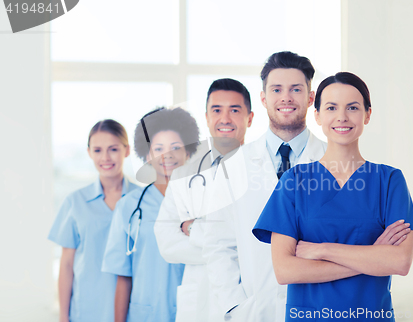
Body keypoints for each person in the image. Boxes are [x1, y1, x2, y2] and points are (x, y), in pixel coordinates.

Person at [253, 72, 413, 321]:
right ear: (317, 115)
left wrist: (322, 250)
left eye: (353, 107)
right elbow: (285, 270)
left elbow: (400, 261)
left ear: (367, 114)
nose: (342, 117)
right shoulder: (294, 181)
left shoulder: (389, 181)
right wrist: (371, 256)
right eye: (331, 107)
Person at [201, 51, 328, 322]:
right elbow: (218, 245)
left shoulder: (334, 163)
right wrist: (234, 307)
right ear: (263, 98)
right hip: (254, 312)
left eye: (296, 89)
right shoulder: (233, 166)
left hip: (323, 308)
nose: (286, 98)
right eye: (276, 89)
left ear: (310, 97)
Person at [154, 78, 254, 322]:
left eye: (235, 110)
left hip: (249, 297)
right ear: (207, 117)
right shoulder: (184, 173)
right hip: (198, 301)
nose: (225, 118)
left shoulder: (264, 171)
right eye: (217, 110)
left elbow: (263, 244)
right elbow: (166, 242)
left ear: (250, 118)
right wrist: (231, 248)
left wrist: (195, 230)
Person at [101, 107, 199, 322]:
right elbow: (123, 276)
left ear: (188, 152)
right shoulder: (129, 207)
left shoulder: (203, 204)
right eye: (159, 148)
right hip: (145, 314)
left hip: (194, 311)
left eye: (175, 147)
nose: (168, 155)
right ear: (147, 154)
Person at [48, 120, 138, 322]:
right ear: (89, 153)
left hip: (135, 310)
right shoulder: (75, 202)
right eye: (98, 150)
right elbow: (66, 265)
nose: (105, 157)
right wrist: (64, 316)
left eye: (113, 149)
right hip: (87, 311)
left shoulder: (143, 200)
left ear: (127, 150)